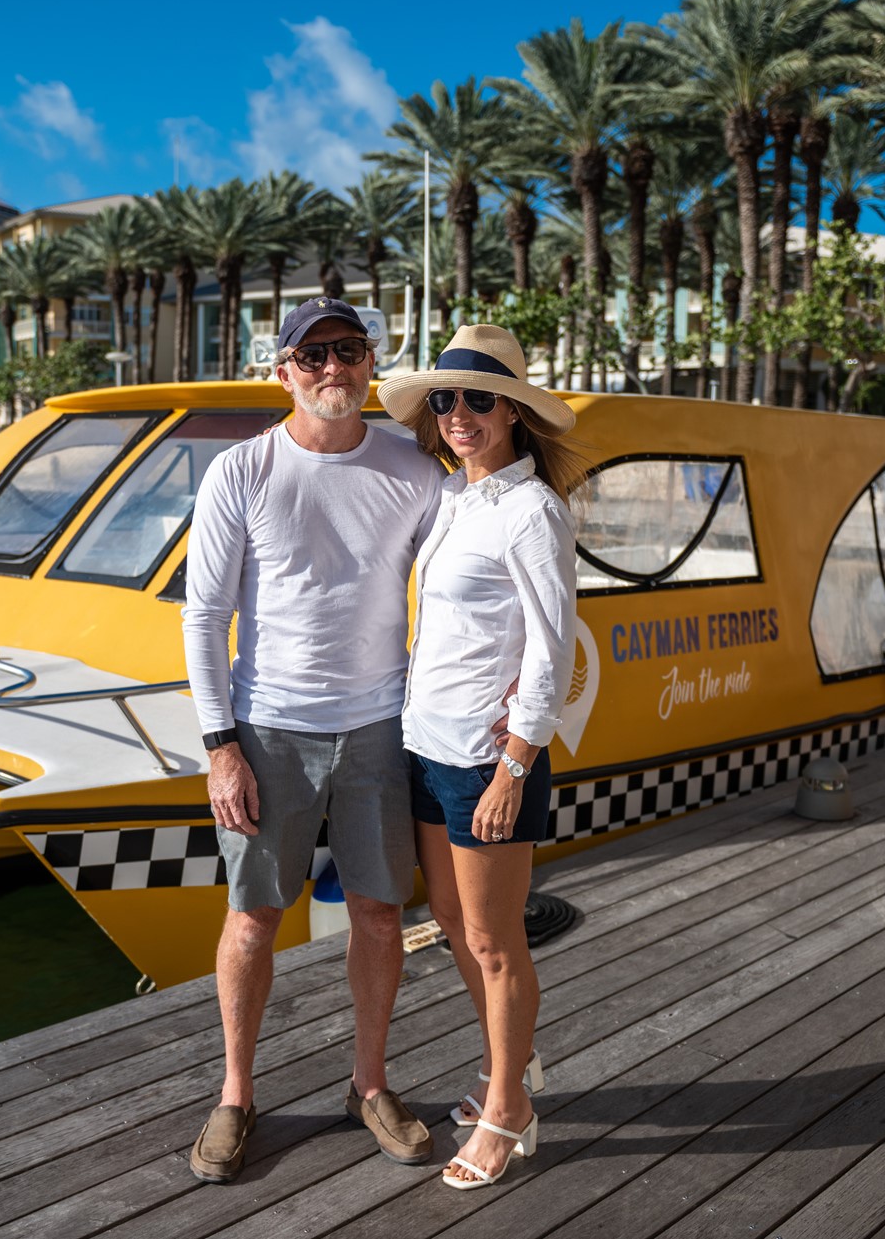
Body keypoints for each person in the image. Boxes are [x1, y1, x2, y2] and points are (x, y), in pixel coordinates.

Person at [181, 296, 445, 1184]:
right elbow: (204, 615)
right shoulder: (241, 471)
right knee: (253, 916)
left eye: (350, 351)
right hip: (265, 730)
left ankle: (367, 1085)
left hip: (378, 725)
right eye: (314, 354)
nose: (334, 368)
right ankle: (235, 1095)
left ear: (372, 362)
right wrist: (220, 745)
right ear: (282, 370)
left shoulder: (415, 467)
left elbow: (465, 574)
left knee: (377, 911)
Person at [375, 324, 584, 1190]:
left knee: (496, 945)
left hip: (484, 760)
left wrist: (516, 762)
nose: (458, 413)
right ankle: (512, 1070)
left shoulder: (533, 510)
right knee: (457, 929)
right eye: (445, 398)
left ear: (513, 413)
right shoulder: (459, 498)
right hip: (428, 746)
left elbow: (551, 645)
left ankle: (509, 1111)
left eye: (478, 398)